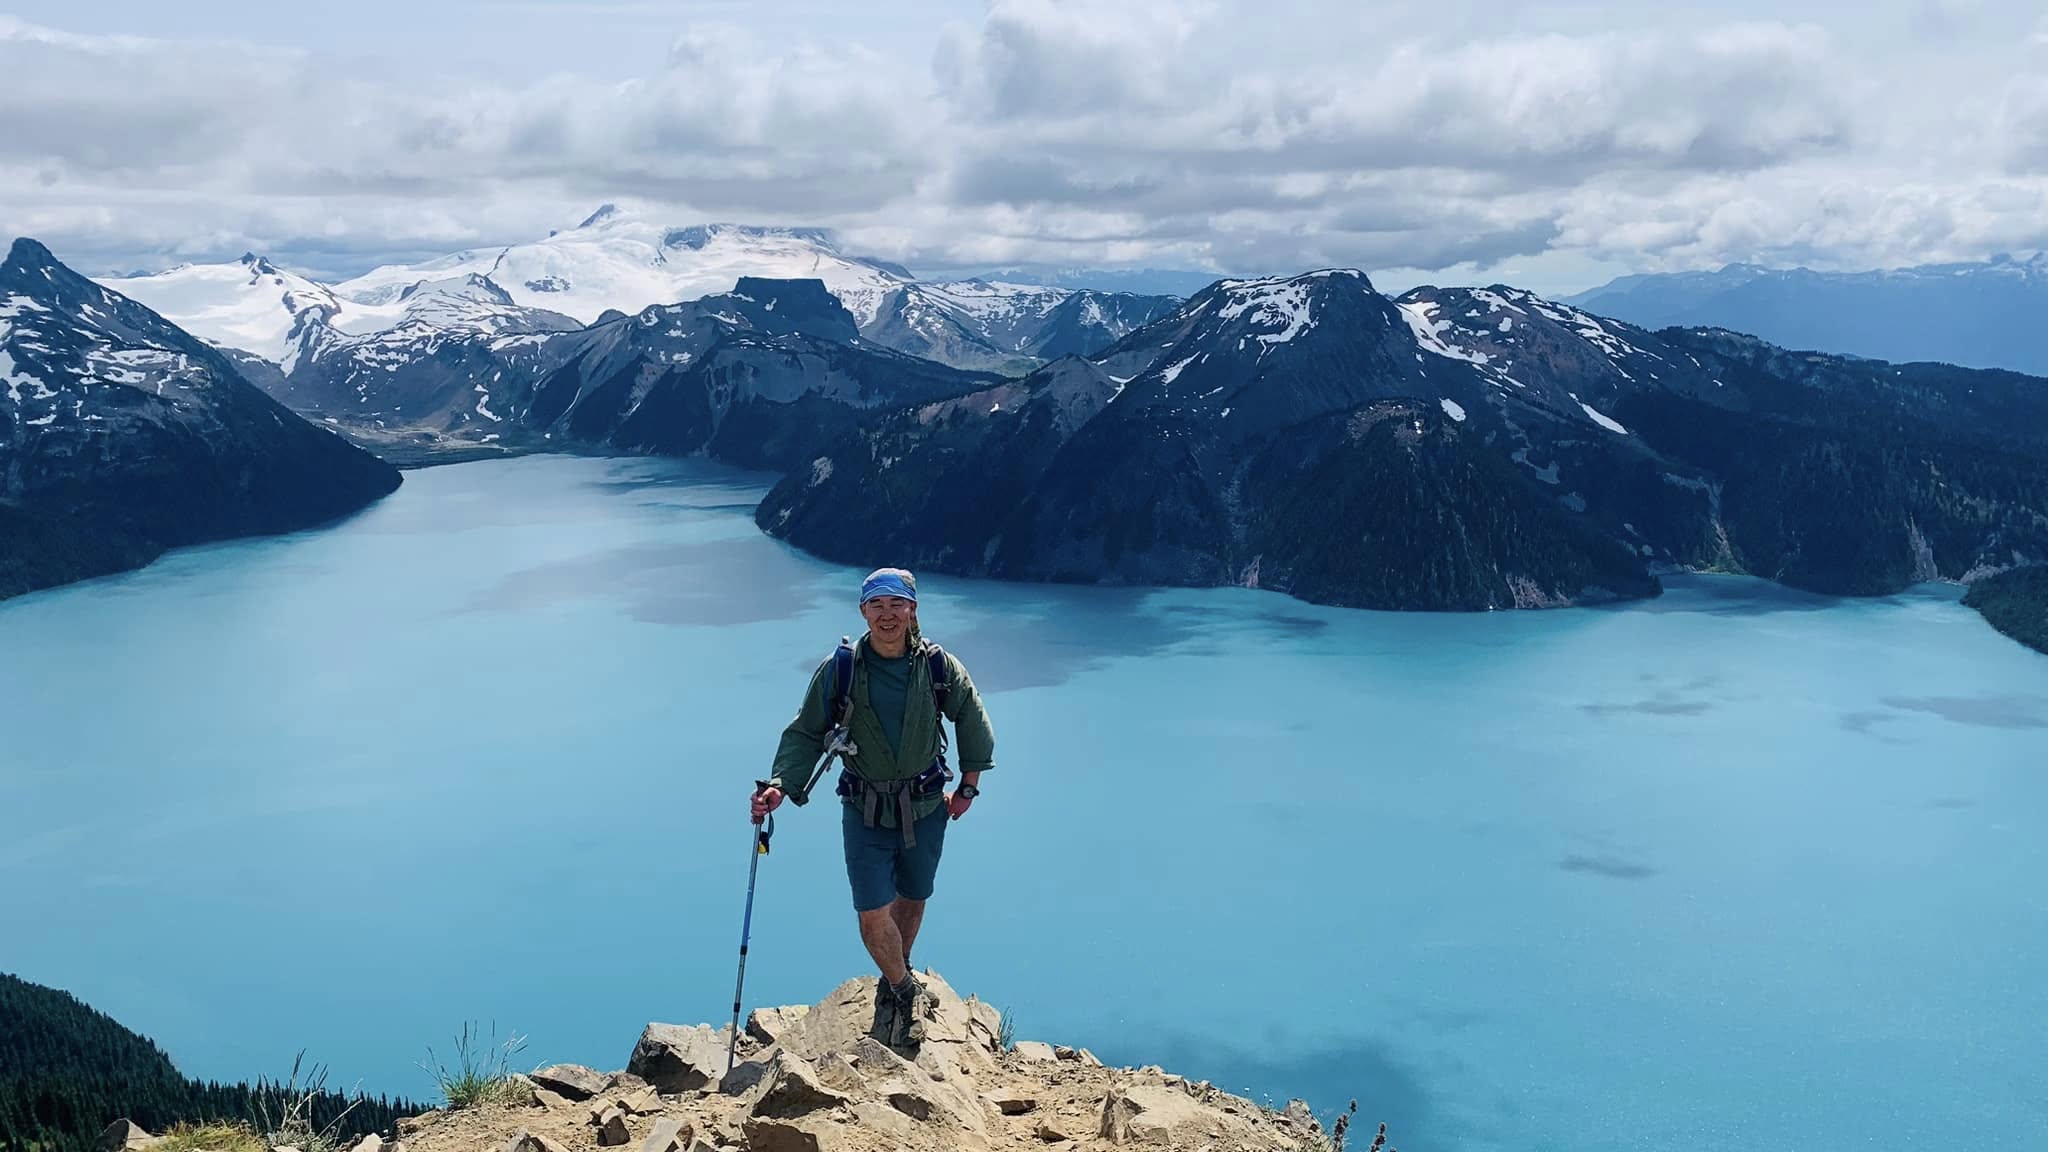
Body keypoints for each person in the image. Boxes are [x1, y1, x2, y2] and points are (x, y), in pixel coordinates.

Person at [750, 567, 996, 1049]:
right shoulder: (842, 670)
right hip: (863, 807)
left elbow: (971, 716)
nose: (887, 614)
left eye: (896, 604)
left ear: (912, 610)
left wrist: (967, 788)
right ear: (863, 611)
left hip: (926, 804)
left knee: (913, 893)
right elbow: (805, 732)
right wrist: (780, 786)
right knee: (871, 911)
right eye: (877, 605)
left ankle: (894, 978)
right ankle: (904, 988)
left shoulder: (937, 667)